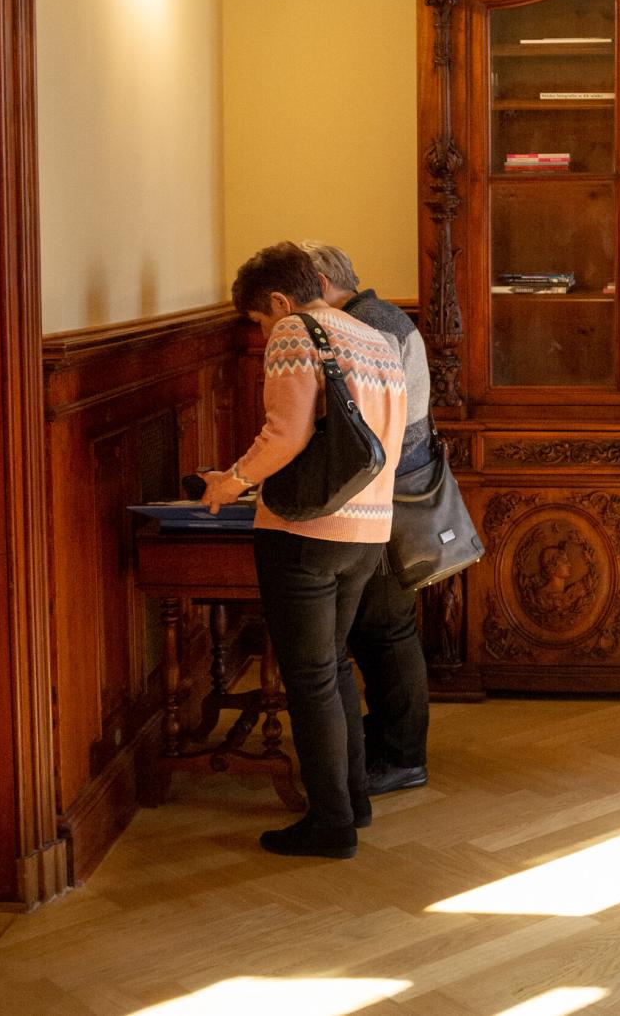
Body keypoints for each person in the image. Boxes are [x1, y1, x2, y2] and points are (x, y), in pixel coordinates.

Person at [200, 242, 406, 859]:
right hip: (369, 529)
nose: (265, 334)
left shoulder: (297, 330)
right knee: (334, 669)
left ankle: (330, 824)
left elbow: (285, 435)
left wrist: (231, 482)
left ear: (279, 301)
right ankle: (353, 803)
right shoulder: (376, 337)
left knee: (310, 681)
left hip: (305, 532)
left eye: (259, 320)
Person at [301, 240, 433, 796]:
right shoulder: (379, 316)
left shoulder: (366, 325)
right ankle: (392, 747)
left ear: (320, 283)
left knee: (385, 628)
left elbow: (361, 430)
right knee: (386, 628)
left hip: (385, 494)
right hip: (395, 486)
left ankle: (401, 757)